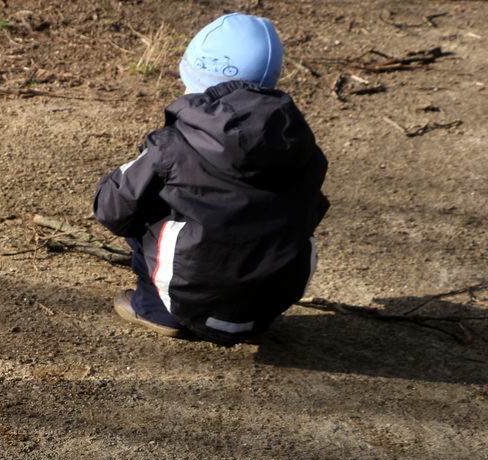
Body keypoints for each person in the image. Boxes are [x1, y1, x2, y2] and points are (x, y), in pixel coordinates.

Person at [93, 13, 329, 345]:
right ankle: (241, 312)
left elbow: (111, 209)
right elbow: (313, 211)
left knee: (145, 211)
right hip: (269, 300)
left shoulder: (172, 144)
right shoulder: (302, 148)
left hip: (193, 287)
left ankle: (156, 310)